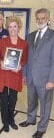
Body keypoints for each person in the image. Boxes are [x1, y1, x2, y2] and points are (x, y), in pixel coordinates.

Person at [19, 8, 54, 138]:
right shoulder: (30, 36)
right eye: (38, 18)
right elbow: (27, 58)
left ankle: (42, 127)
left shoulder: (53, 36)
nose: (40, 20)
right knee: (31, 100)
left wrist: (52, 80)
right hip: (31, 77)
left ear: (48, 19)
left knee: (45, 104)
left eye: (43, 18)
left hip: (46, 79)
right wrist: (24, 75)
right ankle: (31, 119)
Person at [0, 16, 28, 132]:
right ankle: (5, 122)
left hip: (15, 75)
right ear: (7, 28)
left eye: (15, 26)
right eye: (10, 27)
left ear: (18, 28)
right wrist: (1, 62)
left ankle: (11, 120)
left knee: (13, 99)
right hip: (3, 73)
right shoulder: (2, 41)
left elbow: (24, 59)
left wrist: (20, 66)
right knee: (3, 99)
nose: (12, 29)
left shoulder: (24, 44)